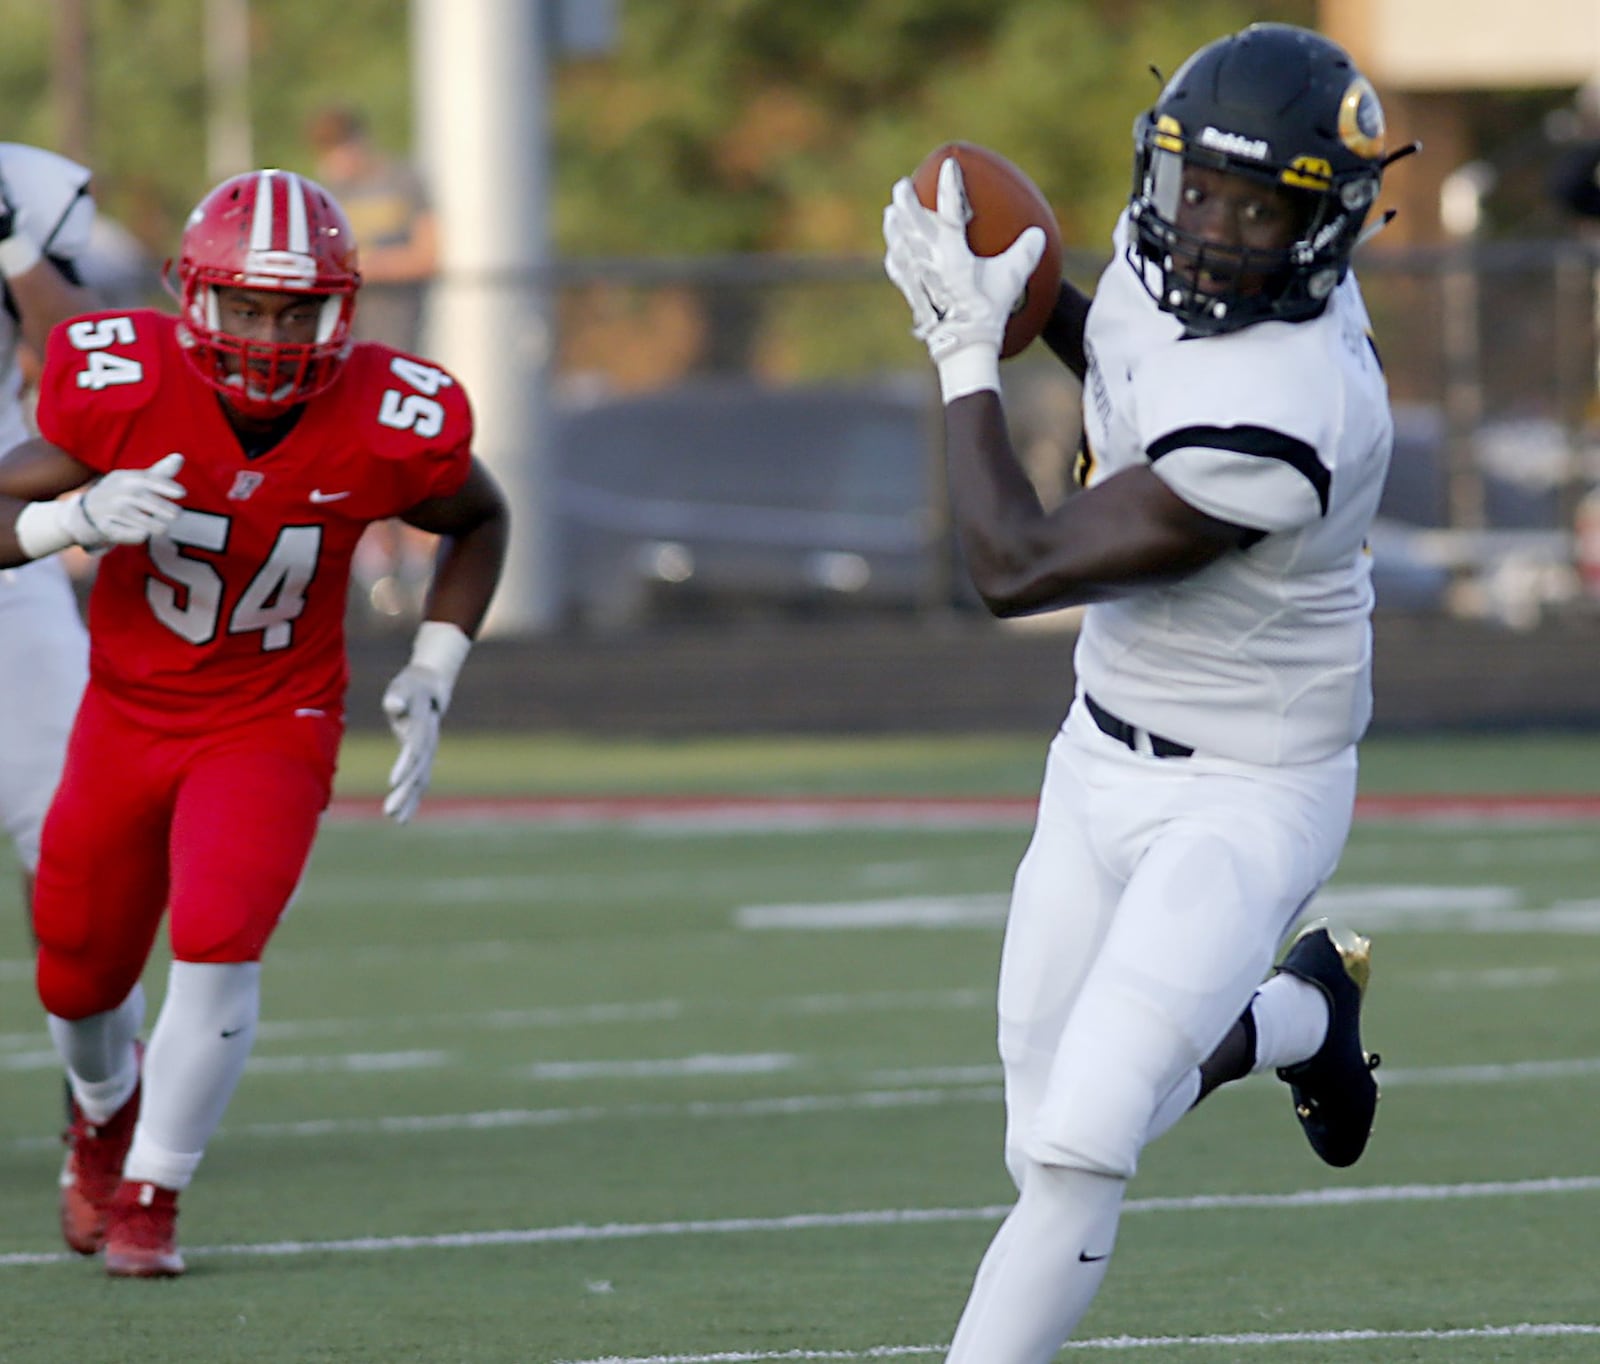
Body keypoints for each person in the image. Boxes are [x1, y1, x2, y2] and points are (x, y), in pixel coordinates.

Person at [882, 23, 1410, 1357]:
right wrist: (1023, 294)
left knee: (1079, 1147)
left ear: (1328, 221)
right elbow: (1126, 360)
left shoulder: (1295, 408)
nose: (1216, 233)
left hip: (1250, 790)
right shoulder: (1158, 274)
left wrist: (961, 355)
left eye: (1257, 208)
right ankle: (1301, 1017)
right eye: (1200, 193)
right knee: (1043, 1122)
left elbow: (1012, 566)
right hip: (1097, 751)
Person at [0, 168, 509, 1278]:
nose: (267, 334)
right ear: (197, 299)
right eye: (245, 305)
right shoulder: (125, 383)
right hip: (126, 712)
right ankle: (102, 1117)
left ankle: (152, 1195)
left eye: (292, 309)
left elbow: (480, 514)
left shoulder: (386, 415)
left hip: (273, 714)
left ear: (340, 310)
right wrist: (71, 517)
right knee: (77, 976)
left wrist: (436, 659)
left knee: (221, 936)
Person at [0, 145, 101, 943]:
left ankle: (97, 1066)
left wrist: (12, 239)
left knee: (72, 842)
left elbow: (85, 354)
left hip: (6, 560)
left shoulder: (32, 190)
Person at [306, 104, 443, 625]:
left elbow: (428, 253)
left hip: (402, 352)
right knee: (359, 460)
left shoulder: (402, 182)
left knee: (411, 459)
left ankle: (422, 568)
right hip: (346, 359)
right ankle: (380, 572)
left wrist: (367, 267)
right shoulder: (325, 196)